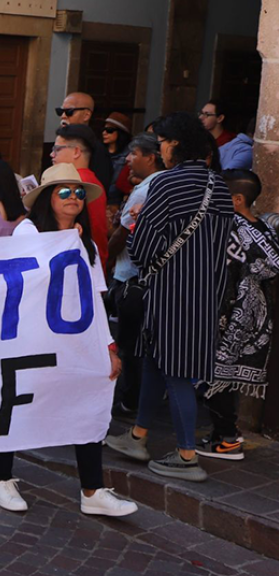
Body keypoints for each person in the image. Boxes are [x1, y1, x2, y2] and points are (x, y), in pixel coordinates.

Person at [0, 164, 137, 517]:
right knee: (18, 402)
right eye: (65, 192)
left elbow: (95, 296)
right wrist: (64, 243)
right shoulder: (28, 230)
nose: (74, 198)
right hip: (31, 336)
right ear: (47, 199)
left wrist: (109, 346)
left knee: (88, 401)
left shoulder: (85, 242)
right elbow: (30, 277)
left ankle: (92, 489)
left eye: (79, 192)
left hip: (75, 339)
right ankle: (0, 478)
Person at [105, 112, 235, 483]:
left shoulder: (168, 183)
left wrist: (141, 224)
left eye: (160, 140)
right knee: (155, 365)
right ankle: (138, 435)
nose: (158, 147)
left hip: (169, 295)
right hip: (204, 294)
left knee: (175, 373)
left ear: (174, 144)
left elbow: (142, 249)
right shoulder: (219, 184)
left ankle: (186, 456)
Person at [196, 170, 278, 462]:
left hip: (230, 311)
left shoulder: (229, 225)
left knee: (215, 376)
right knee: (224, 377)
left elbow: (218, 270)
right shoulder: (264, 229)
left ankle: (227, 440)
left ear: (237, 199)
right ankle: (222, 434)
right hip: (256, 313)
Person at [107, 134, 164, 416]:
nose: (128, 159)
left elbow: (122, 233)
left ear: (150, 157)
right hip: (148, 278)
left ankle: (131, 400)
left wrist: (108, 251)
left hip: (130, 275)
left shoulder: (144, 190)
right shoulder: (163, 185)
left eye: (134, 153)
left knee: (130, 344)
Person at [52, 124, 110, 270]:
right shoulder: (91, 180)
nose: (52, 154)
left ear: (76, 151)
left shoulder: (77, 182)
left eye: (57, 149)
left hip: (81, 264)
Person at [56, 91, 113, 189]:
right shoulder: (60, 141)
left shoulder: (97, 150)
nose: (63, 116)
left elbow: (98, 189)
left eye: (69, 111)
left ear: (86, 115)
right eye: (60, 111)